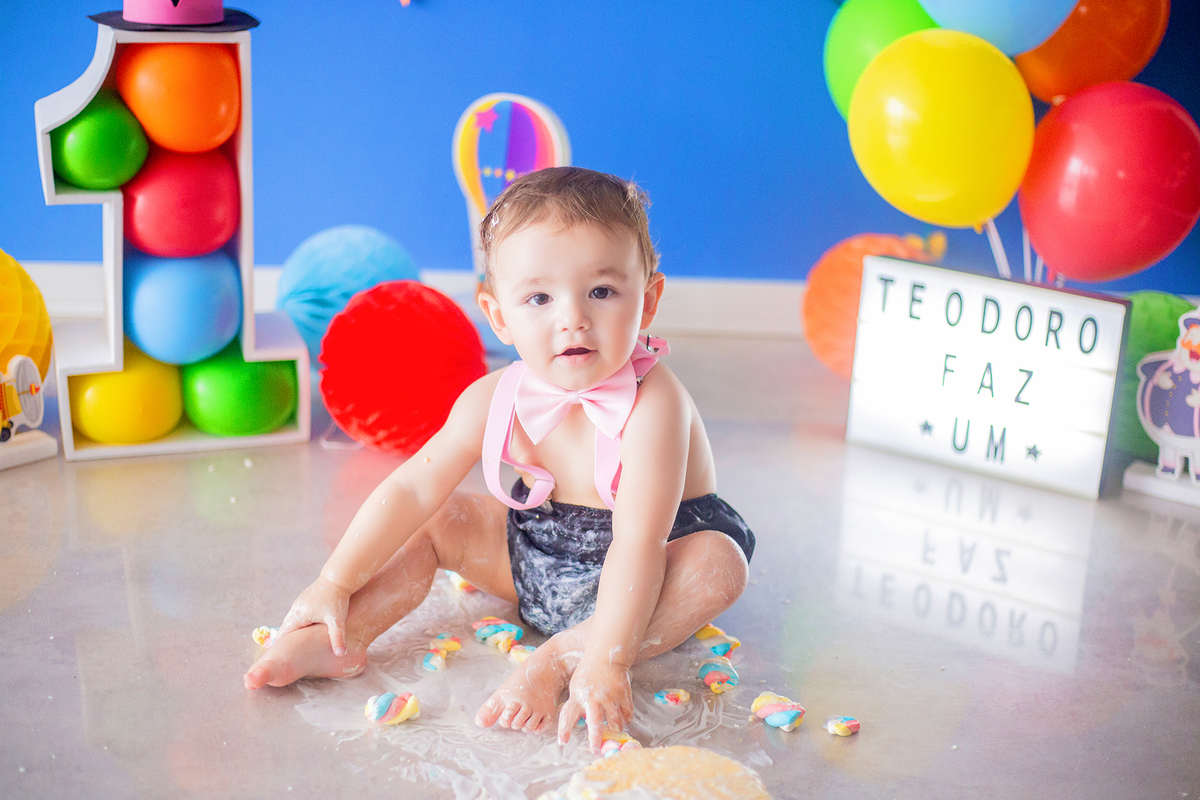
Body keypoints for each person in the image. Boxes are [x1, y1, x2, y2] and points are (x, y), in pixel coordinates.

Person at [243, 167, 755, 752]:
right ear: (498, 314)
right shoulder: (495, 397)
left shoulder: (655, 404)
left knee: (719, 565)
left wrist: (606, 663)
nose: (573, 318)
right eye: (539, 297)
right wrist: (334, 581)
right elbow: (413, 489)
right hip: (538, 554)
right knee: (441, 519)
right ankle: (343, 635)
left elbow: (638, 541)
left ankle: (565, 656)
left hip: (653, 562)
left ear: (649, 300)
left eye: (603, 291)